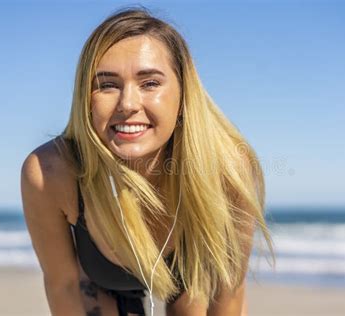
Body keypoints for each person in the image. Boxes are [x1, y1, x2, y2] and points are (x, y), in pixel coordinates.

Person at [21, 6, 274, 316]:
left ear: (183, 95)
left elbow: (228, 293)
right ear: (86, 98)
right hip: (99, 283)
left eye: (150, 83)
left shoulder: (227, 169)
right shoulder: (51, 173)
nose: (127, 104)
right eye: (108, 84)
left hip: (189, 278)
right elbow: (63, 286)